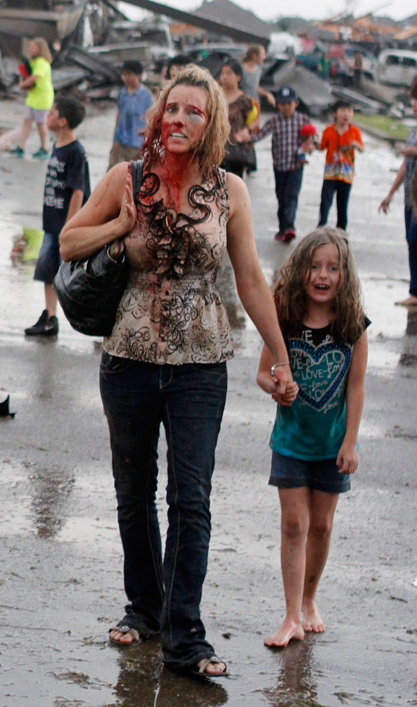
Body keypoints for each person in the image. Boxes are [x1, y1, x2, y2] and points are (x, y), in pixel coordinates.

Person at [59, 65, 295, 678]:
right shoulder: (127, 179)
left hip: (200, 365)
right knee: (134, 494)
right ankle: (144, 611)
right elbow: (67, 243)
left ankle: (186, 637)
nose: (180, 120)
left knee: (190, 500)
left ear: (212, 121)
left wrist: (280, 354)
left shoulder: (230, 192)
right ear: (158, 117)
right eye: (172, 109)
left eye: (194, 111)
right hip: (128, 359)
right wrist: (118, 227)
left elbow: (248, 279)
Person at [256, 228, 367, 648]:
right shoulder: (283, 315)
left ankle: (309, 600)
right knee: (293, 524)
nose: (323, 275)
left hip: (332, 444)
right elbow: (263, 373)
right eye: (316, 267)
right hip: (290, 440)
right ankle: (290, 617)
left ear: (344, 274)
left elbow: (356, 386)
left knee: (320, 525)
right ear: (301, 270)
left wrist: (350, 442)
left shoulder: (353, 322)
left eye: (333, 268)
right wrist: (276, 387)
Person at [25, 96, 89, 337]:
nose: (47, 116)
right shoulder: (58, 146)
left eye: (51, 113)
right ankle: (50, 317)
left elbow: (78, 191)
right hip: (52, 223)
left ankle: (91, 318)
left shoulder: (75, 152)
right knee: (47, 270)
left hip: (64, 225)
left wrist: (69, 227)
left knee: (70, 277)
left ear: (62, 121)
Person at [247, 86, 316, 243]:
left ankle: (289, 227)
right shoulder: (274, 121)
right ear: (277, 105)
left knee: (292, 196)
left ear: (296, 103)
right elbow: (260, 134)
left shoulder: (303, 120)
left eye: (289, 104)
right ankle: (282, 228)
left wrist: (311, 145)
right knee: (281, 196)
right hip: (279, 166)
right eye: (282, 104)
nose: (286, 107)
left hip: (296, 166)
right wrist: (245, 139)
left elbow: (312, 138)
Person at [378, 78, 417, 306]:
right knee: (411, 241)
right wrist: (390, 193)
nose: (414, 103)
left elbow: (411, 153)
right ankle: (414, 291)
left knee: (415, 237)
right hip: (409, 195)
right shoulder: (414, 129)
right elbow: (405, 164)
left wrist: (412, 150)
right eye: (413, 98)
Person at [317, 102, 365, 230]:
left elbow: (362, 148)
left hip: (346, 174)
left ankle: (341, 229)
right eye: (343, 110)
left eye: (349, 111)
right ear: (335, 113)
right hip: (330, 173)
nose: (346, 114)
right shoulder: (329, 130)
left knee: (342, 203)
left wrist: (356, 145)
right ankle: (321, 225)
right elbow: (321, 146)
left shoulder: (355, 131)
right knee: (325, 200)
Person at [8, 38, 54, 158]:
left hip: (42, 97)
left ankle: (44, 148)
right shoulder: (34, 62)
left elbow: (34, 77)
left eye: (34, 47)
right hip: (33, 95)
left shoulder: (42, 62)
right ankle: (21, 146)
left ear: (41, 49)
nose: (30, 50)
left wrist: (22, 84)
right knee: (27, 122)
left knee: (41, 123)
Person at [109, 60, 154, 168]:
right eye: (124, 74)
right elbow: (119, 114)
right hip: (120, 140)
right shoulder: (122, 93)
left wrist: (148, 131)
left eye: (129, 74)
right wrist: (115, 133)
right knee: (114, 170)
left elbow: (152, 116)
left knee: (135, 173)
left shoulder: (146, 95)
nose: (126, 77)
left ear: (138, 75)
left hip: (137, 143)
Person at [219, 60, 257, 178]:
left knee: (233, 184)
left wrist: (246, 130)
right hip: (217, 148)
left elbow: (255, 120)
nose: (224, 77)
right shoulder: (216, 97)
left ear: (238, 77)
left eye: (228, 73)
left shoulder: (244, 99)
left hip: (235, 149)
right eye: (223, 73)